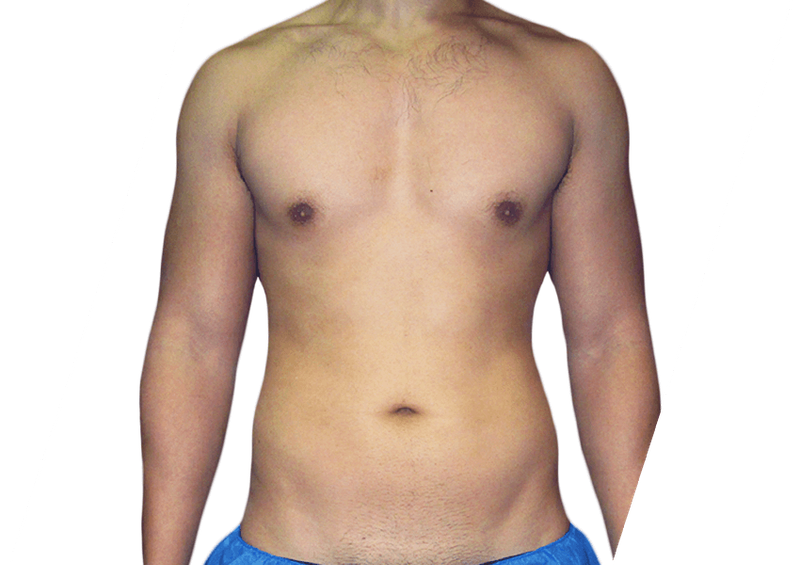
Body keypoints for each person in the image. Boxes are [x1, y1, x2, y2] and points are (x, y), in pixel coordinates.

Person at [140, 0, 661, 564]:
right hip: (291, 543)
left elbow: (609, 340)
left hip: (519, 541)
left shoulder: (566, 79)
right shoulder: (240, 83)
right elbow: (194, 343)